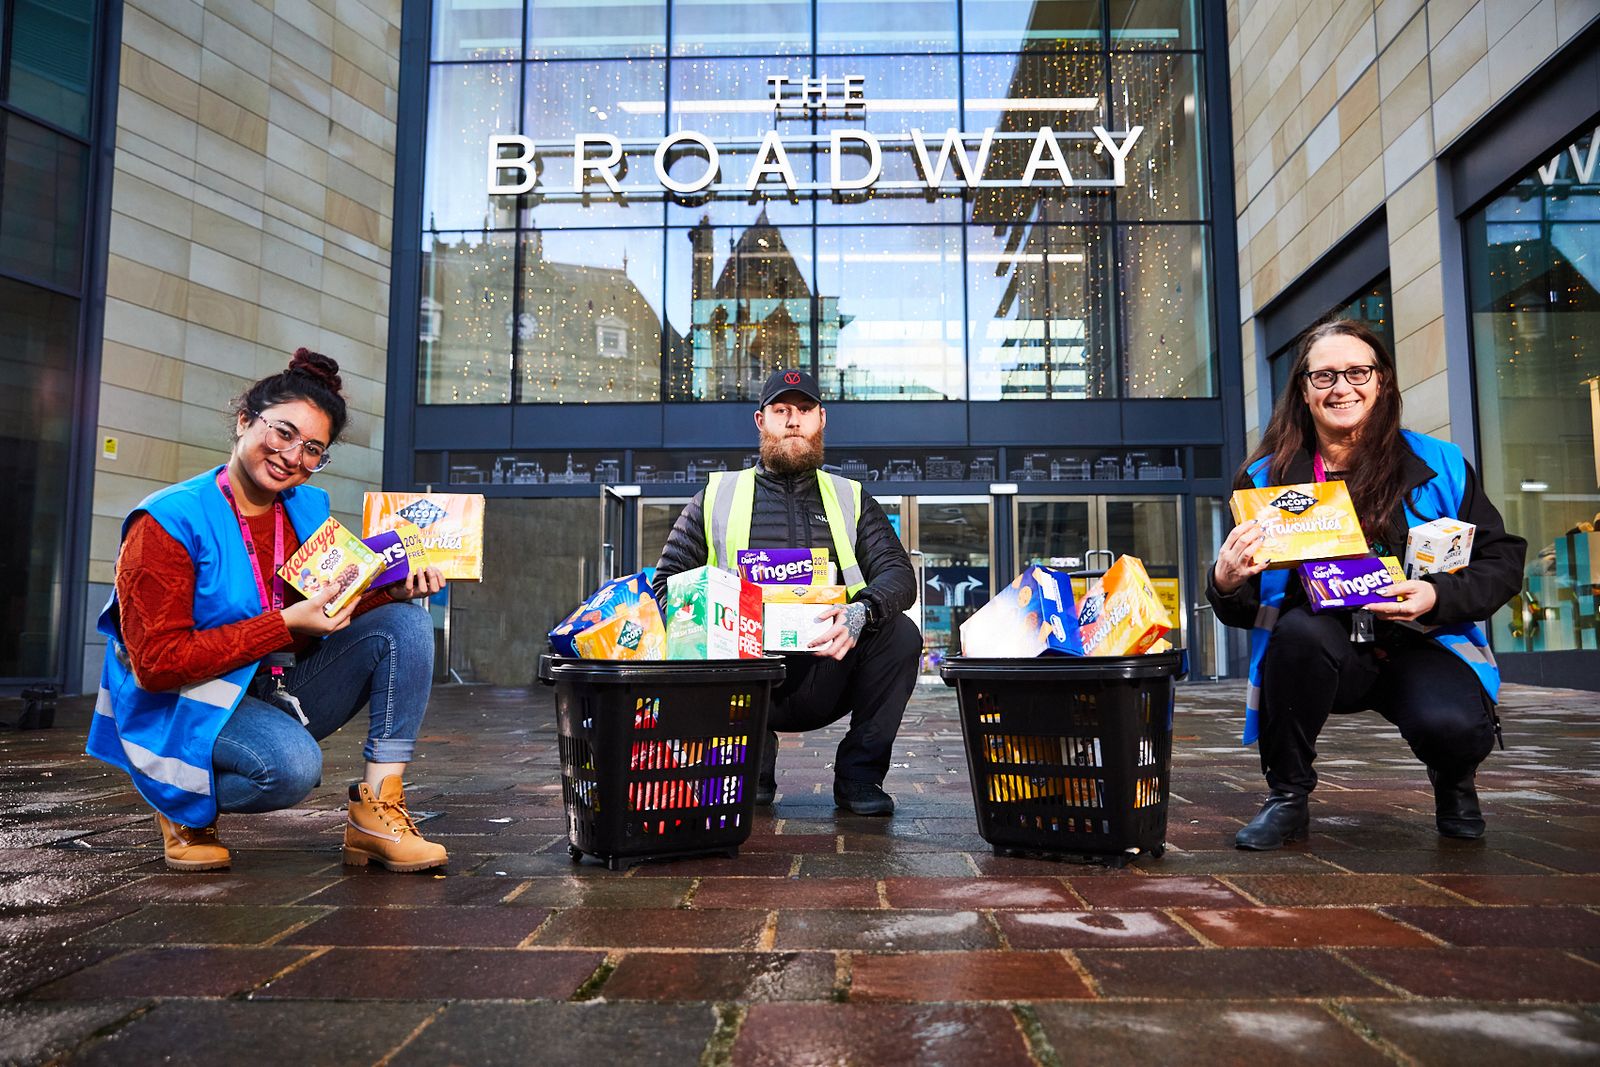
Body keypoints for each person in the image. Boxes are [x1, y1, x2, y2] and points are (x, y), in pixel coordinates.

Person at [88, 349, 450, 872]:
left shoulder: (305, 509)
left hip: (266, 683)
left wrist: (388, 593)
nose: (291, 456)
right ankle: (178, 801)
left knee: (405, 622)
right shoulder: (167, 522)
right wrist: (283, 624)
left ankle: (378, 809)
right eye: (282, 432)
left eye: (312, 449)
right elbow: (156, 665)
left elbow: (322, 606)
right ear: (243, 421)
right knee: (289, 769)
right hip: (182, 699)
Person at [1209, 319, 1526, 850]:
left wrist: (1437, 596)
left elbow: (1502, 559)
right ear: (1304, 391)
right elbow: (1246, 607)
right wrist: (1225, 580)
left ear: (1382, 382)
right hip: (1323, 642)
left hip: (1422, 640)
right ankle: (1288, 797)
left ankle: (1454, 785)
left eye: (1358, 372)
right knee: (1297, 637)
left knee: (1454, 723)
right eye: (1324, 376)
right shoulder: (1266, 478)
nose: (1342, 388)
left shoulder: (1440, 463)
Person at [653, 368, 921, 816]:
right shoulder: (716, 495)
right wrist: (712, 623)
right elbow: (667, 582)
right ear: (762, 422)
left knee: (901, 636)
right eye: (781, 411)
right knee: (684, 632)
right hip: (745, 678)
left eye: (804, 410)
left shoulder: (851, 497)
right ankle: (749, 764)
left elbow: (897, 573)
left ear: (822, 420)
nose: (793, 420)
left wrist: (860, 614)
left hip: (829, 666)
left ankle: (859, 775)